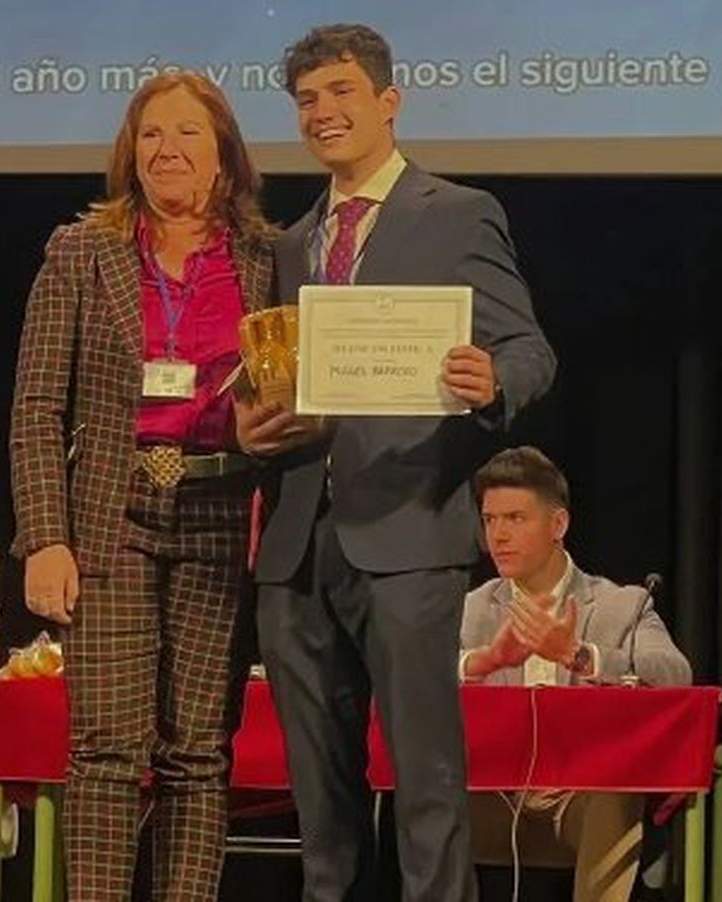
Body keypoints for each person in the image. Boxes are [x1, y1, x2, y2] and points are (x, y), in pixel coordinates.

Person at [235, 23, 558, 902]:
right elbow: (273, 380)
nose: (323, 113)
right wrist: (253, 426)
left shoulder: (455, 213)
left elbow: (530, 350)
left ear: (387, 101)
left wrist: (492, 378)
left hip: (411, 534)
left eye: (341, 93)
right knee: (319, 802)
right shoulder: (291, 245)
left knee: (426, 787)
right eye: (307, 101)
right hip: (299, 546)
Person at [9, 71, 276, 900]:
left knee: (199, 749)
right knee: (107, 747)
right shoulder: (81, 253)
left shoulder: (267, 258)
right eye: (151, 134)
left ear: (224, 155)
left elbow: (290, 388)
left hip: (219, 512)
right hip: (109, 515)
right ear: (132, 153)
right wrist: (46, 536)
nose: (168, 150)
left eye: (188, 133)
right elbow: (36, 406)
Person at [461, 446, 691, 902]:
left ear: (558, 525)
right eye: (490, 520)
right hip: (492, 797)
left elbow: (675, 675)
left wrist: (578, 654)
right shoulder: (471, 609)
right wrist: (482, 662)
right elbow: (415, 683)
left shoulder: (621, 605)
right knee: (426, 794)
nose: (498, 536)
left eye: (515, 519)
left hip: (575, 798)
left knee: (613, 797)